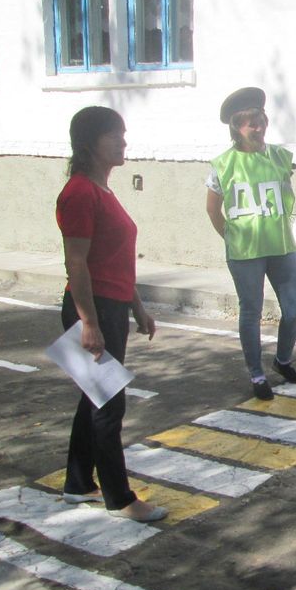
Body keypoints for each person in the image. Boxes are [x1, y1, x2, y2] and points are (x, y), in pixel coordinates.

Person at [56, 106, 166, 523]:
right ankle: (120, 500)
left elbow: (114, 260)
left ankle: (77, 483)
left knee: (95, 399)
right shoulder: (79, 193)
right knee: (108, 407)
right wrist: (89, 322)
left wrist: (138, 307)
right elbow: (77, 263)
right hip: (92, 309)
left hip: (111, 306)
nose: (123, 142)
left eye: (123, 134)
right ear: (89, 143)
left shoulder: (102, 190)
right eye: (114, 135)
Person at [205, 87, 296, 400]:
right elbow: (212, 210)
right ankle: (257, 374)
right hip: (245, 252)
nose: (259, 128)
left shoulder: (280, 157)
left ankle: (282, 360)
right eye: (251, 123)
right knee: (251, 312)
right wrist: (231, 237)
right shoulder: (223, 164)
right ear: (237, 127)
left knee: (294, 308)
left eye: (261, 120)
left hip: (281, 245)